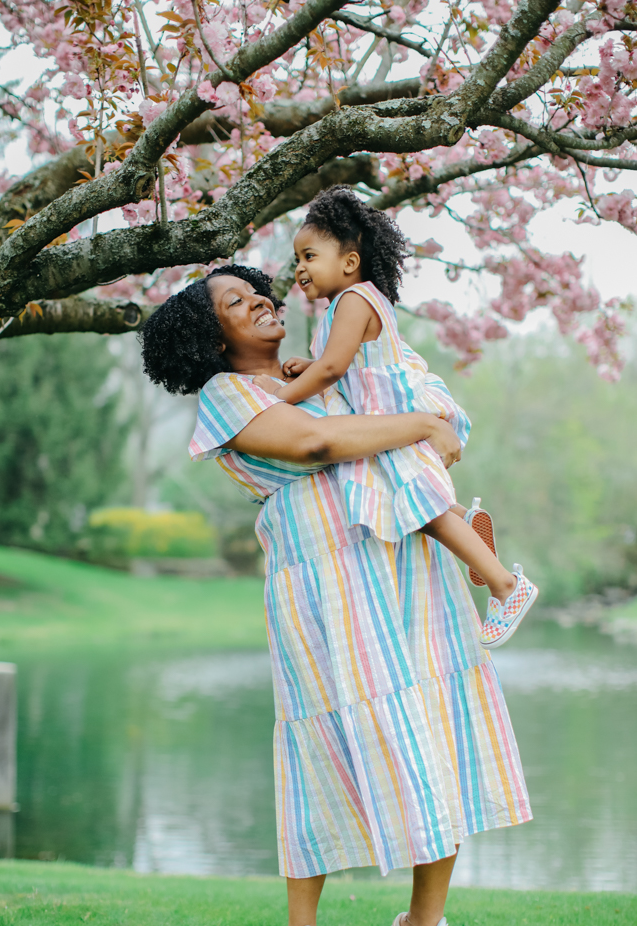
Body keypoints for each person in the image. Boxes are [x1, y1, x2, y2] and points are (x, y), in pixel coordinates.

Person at [140, 265, 532, 926]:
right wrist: (417, 425)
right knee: (321, 737)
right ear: (211, 339)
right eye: (237, 302)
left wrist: (427, 424)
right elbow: (316, 443)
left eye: (256, 289)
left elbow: (398, 404)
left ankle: (423, 919)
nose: (261, 299)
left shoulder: (323, 369)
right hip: (320, 581)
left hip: (399, 557)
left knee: (429, 721)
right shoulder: (228, 396)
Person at [253, 186, 537, 649]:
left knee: (425, 512)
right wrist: (312, 367)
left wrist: (281, 397)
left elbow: (334, 368)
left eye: (309, 256)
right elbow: (342, 365)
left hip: (390, 419)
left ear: (348, 261)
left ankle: (506, 586)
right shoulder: (351, 303)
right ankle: (467, 516)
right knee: (420, 507)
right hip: (387, 416)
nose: (300, 268)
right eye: (297, 259)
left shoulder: (353, 300)